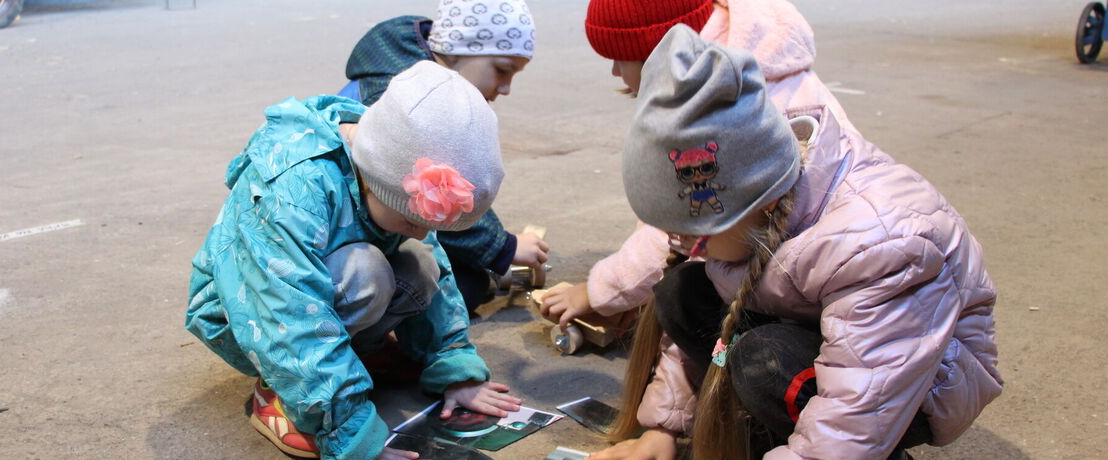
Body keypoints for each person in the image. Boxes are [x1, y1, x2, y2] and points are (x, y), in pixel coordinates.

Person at [589, 26, 1002, 460]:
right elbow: (715, 320)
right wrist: (663, 431)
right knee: (682, 290)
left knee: (764, 362)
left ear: (757, 204)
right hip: (831, 332)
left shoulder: (882, 244)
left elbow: (860, 407)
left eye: (695, 233)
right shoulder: (755, 206)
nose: (683, 244)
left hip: (918, 381)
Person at [185, 62, 522, 460]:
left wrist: (454, 367)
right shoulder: (292, 190)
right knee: (365, 271)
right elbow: (289, 316)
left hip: (314, 298)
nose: (418, 230)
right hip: (249, 317)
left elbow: (439, 276)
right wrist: (350, 434)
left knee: (421, 260)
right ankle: (279, 391)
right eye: (411, 219)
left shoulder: (392, 167)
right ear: (375, 179)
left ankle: (356, 354)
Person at [541, 0, 860, 335]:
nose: (615, 72)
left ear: (661, 55)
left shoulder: (726, 110)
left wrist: (602, 292)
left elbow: (676, 228)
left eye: (620, 58)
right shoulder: (745, 62)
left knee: (684, 293)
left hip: (808, 295)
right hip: (801, 259)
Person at [341, 0, 548, 312]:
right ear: (457, 49)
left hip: (385, 217)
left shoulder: (423, 77)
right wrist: (503, 247)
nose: (505, 88)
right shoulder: (409, 102)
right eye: (502, 70)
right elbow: (429, 204)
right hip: (355, 232)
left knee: (466, 280)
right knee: (459, 288)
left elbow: (449, 187)